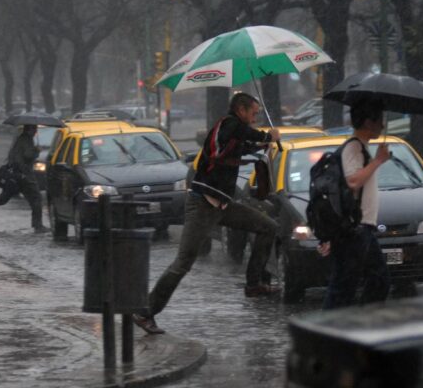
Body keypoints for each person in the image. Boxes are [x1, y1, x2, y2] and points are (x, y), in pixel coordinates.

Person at [133, 92, 281, 334]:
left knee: (268, 227)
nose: (255, 119)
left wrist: (264, 144)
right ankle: (144, 312)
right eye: (253, 114)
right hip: (202, 205)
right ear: (241, 110)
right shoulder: (228, 124)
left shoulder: (232, 134)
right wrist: (267, 135)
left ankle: (254, 284)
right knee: (183, 263)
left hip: (222, 205)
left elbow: (242, 146)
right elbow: (242, 134)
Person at [317, 103, 391, 309]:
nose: (383, 126)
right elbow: (353, 181)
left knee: (379, 280)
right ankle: (325, 334)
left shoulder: (360, 147)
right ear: (368, 122)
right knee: (343, 287)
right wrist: (378, 161)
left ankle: (360, 325)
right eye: (379, 120)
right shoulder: (353, 147)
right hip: (354, 230)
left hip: (362, 228)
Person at [0, 124, 48, 233]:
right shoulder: (26, 140)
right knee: (36, 198)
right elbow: (28, 155)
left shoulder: (20, 139)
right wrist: (36, 150)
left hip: (16, 175)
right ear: (29, 129)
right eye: (34, 129)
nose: (36, 131)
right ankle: (38, 226)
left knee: (3, 199)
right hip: (23, 176)